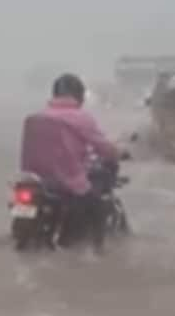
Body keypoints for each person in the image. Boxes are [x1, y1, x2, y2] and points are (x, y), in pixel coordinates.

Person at [20, 73, 121, 251]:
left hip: (34, 180)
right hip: (66, 181)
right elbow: (102, 146)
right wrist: (118, 153)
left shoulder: (38, 117)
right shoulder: (81, 118)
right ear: (79, 95)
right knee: (98, 206)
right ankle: (97, 251)